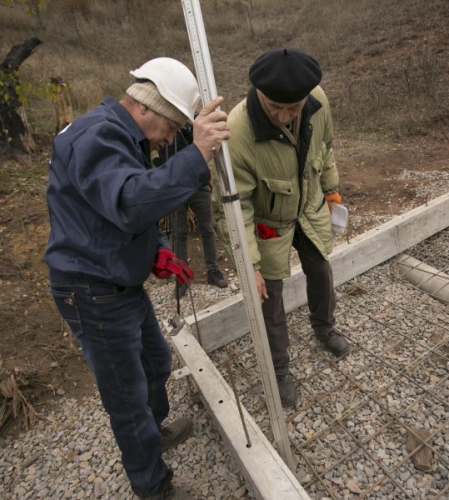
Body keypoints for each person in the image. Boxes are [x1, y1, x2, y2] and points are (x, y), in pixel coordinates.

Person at [44, 57, 230, 499]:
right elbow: (130, 203)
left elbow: (116, 216)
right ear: (150, 108)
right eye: (173, 126)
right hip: (92, 290)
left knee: (155, 362)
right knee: (127, 399)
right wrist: (197, 153)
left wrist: (159, 252)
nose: (171, 138)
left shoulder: (117, 135)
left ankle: (155, 431)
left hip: (116, 279)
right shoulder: (97, 137)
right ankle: (153, 486)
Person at [215, 48, 350, 407]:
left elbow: (326, 147)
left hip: (308, 207)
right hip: (268, 223)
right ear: (259, 92)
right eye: (276, 106)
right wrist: (250, 265)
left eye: (294, 107)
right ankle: (278, 370)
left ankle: (324, 327)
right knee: (268, 296)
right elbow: (234, 208)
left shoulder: (318, 102)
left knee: (320, 269)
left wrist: (332, 190)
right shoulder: (238, 132)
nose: (284, 115)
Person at [153, 124, 229, 299]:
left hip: (198, 184)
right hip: (175, 187)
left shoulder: (193, 122)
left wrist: (189, 127)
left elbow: (205, 145)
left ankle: (213, 272)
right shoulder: (166, 125)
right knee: (179, 233)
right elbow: (156, 153)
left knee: (207, 229)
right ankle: (181, 278)